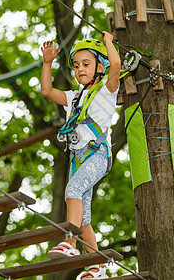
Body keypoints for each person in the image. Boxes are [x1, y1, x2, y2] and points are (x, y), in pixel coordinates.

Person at [40, 31, 120, 280]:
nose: (80, 70)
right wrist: (47, 63)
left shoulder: (107, 90)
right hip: (78, 157)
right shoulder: (74, 98)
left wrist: (109, 43)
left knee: (72, 192)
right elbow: (46, 91)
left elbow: (116, 65)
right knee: (83, 216)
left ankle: (70, 244)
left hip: (97, 153)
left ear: (100, 65)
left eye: (86, 64)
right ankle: (97, 266)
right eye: (76, 66)